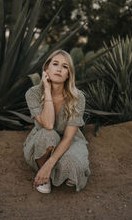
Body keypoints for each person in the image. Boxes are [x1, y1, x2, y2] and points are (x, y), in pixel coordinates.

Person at [23, 50, 90, 193]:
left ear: (68, 74)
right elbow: (48, 124)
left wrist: (50, 164)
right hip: (43, 140)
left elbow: (68, 137)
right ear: (46, 68)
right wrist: (47, 90)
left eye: (65, 66)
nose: (59, 69)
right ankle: (47, 174)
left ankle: (48, 170)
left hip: (70, 141)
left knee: (73, 164)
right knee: (48, 134)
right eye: (55, 64)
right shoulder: (33, 93)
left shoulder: (78, 98)